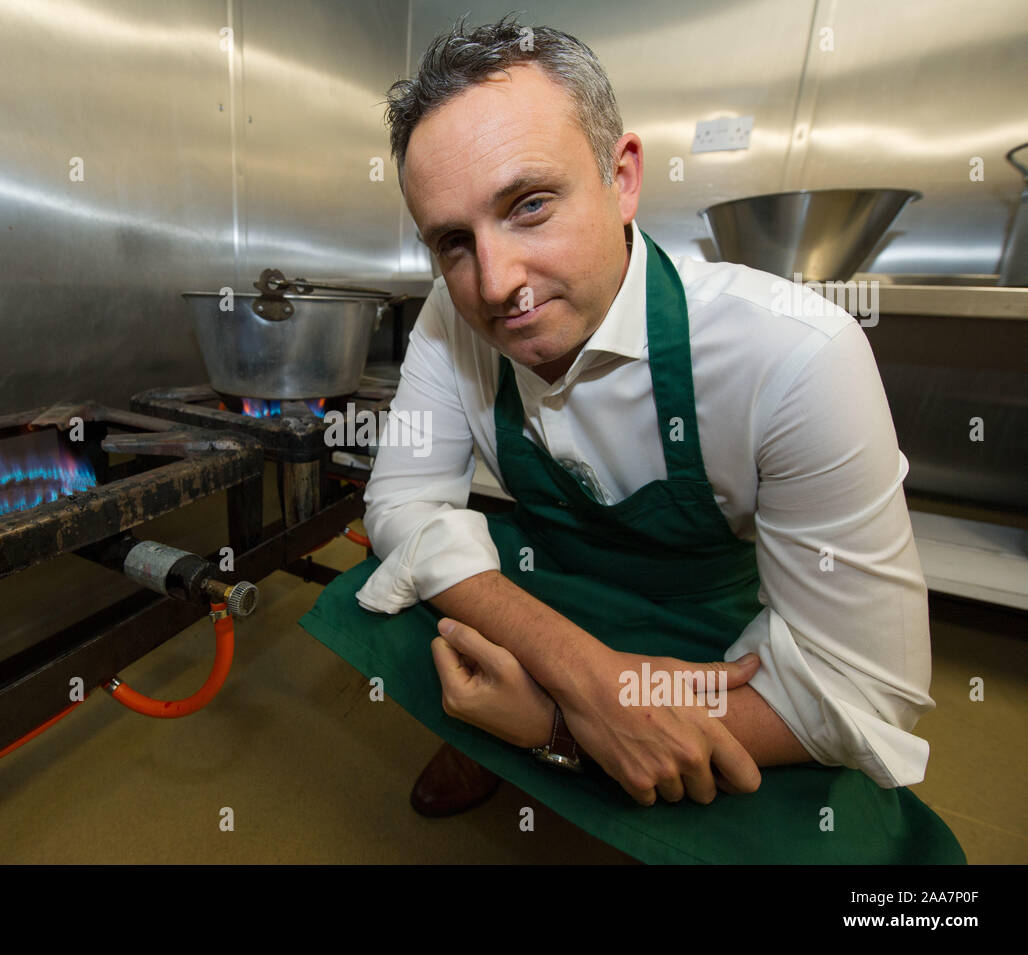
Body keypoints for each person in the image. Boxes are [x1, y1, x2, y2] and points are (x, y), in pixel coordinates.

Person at [298, 15, 964, 863]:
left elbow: (864, 687)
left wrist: (558, 723)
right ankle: (496, 740)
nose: (497, 283)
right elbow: (399, 502)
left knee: (842, 843)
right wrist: (581, 672)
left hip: (706, 630)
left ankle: (530, 740)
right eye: (453, 242)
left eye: (529, 204)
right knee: (378, 601)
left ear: (622, 177)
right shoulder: (447, 317)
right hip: (552, 593)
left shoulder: (797, 354)